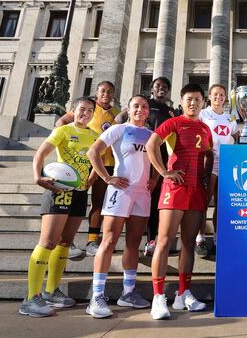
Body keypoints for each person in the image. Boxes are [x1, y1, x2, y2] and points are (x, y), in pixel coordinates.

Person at [19, 97, 100, 317]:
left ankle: (51, 290)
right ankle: (30, 298)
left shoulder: (94, 135)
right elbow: (40, 154)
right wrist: (38, 177)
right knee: (48, 242)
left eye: (90, 110)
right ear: (73, 110)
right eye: (82, 109)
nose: (86, 113)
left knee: (65, 242)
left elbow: (96, 160)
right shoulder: (64, 130)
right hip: (60, 191)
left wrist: (92, 179)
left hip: (80, 193)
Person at [145, 83, 214, 320]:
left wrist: (205, 178)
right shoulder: (173, 123)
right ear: (182, 101)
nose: (193, 103)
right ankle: (158, 297)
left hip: (196, 190)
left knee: (188, 244)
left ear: (203, 102)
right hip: (174, 188)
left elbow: (208, 154)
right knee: (164, 241)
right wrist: (163, 172)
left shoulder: (205, 128)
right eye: (189, 99)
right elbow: (151, 144)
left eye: (197, 99)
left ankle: (183, 293)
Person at [85, 95, 156, 318]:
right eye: (136, 106)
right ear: (129, 109)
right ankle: (96, 296)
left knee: (133, 244)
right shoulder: (119, 129)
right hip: (121, 190)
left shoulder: (153, 135)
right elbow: (93, 152)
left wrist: (154, 178)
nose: (140, 110)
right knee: (109, 241)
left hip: (142, 193)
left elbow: (154, 159)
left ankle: (128, 292)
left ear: (148, 111)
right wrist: (107, 178)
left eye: (144, 107)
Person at [55, 81, 120, 259]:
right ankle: (66, 240)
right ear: (97, 93)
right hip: (82, 161)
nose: (106, 94)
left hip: (105, 161)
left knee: (98, 201)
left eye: (110, 91)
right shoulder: (88, 108)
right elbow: (62, 121)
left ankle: (92, 240)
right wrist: (66, 143)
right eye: (103, 91)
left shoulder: (115, 113)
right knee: (73, 199)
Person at [117, 76, 177, 257]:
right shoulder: (144, 105)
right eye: (158, 85)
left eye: (165, 86)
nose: (162, 88)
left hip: (163, 158)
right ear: (151, 88)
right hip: (142, 155)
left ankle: (153, 238)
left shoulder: (171, 110)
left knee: (157, 198)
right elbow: (119, 119)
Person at [196, 84, 239, 258]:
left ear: (225, 98)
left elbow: (236, 137)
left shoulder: (230, 118)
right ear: (209, 96)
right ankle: (200, 238)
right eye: (215, 94)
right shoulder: (203, 114)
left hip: (226, 162)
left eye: (222, 94)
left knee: (221, 203)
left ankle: (217, 238)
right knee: (204, 201)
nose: (218, 97)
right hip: (208, 160)